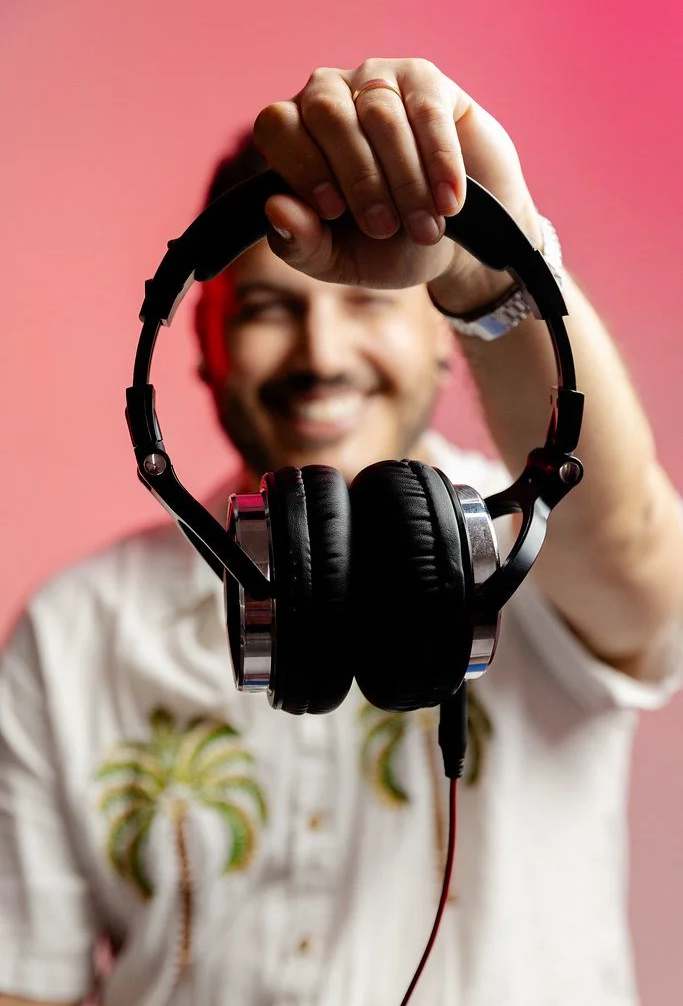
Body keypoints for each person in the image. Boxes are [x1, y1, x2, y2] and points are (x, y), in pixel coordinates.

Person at [1, 57, 682, 1006]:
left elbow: (639, 557)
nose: (321, 356)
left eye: (364, 303)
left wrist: (497, 269)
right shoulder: (72, 634)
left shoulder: (527, 544)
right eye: (273, 310)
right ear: (204, 345)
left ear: (441, 344)